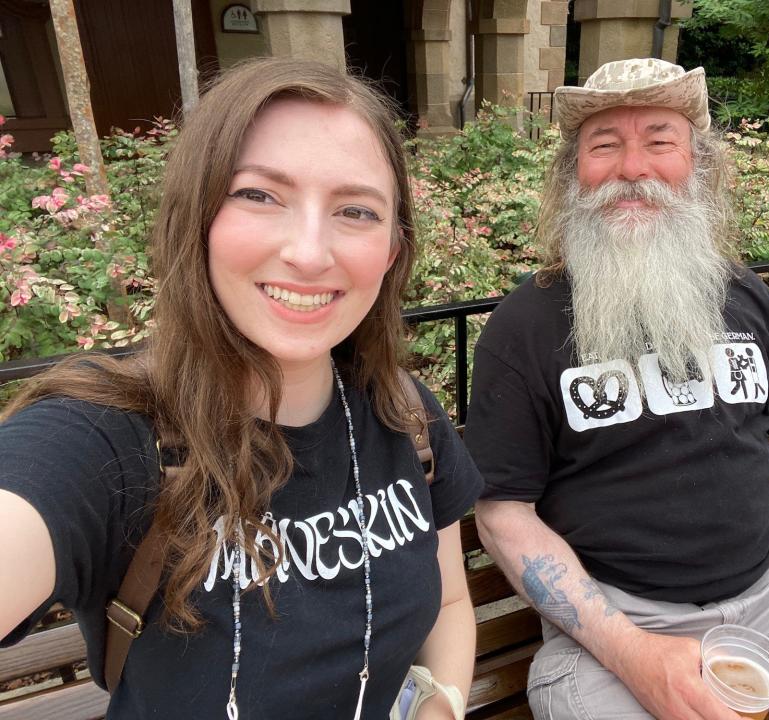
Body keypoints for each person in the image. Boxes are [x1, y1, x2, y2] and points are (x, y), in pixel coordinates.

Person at [464, 58, 769, 720]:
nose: (633, 168)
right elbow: (503, 515)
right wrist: (633, 653)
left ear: (698, 164)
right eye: (605, 144)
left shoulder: (744, 295)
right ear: (570, 174)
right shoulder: (522, 326)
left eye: (659, 141)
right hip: (618, 617)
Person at [0, 58, 482, 719]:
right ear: (196, 216)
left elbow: (451, 602)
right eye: (259, 194)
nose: (310, 253)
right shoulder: (106, 442)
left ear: (392, 249)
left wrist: (443, 705)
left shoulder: (406, 416)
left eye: (356, 210)